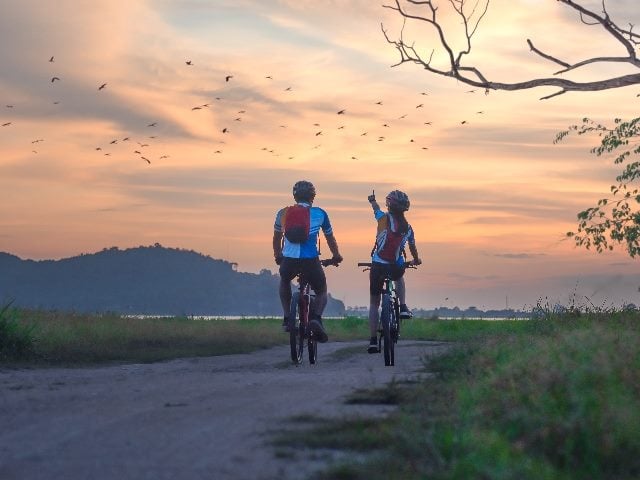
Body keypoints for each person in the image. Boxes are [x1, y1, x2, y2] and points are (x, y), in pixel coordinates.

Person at [273, 180, 343, 342]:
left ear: (295, 196)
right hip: (310, 260)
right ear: (313, 197)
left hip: (289, 259)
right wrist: (336, 255)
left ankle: (286, 318)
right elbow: (330, 238)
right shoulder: (320, 213)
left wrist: (278, 256)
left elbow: (277, 239)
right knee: (321, 290)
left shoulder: (282, 213)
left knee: (284, 280)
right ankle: (315, 319)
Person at [366, 189, 421, 353]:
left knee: (374, 303)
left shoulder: (382, 219)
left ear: (389, 205)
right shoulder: (408, 227)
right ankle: (403, 306)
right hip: (395, 266)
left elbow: (375, 209)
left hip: (378, 265)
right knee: (399, 276)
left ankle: (373, 340)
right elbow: (412, 247)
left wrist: (372, 201)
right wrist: (416, 259)